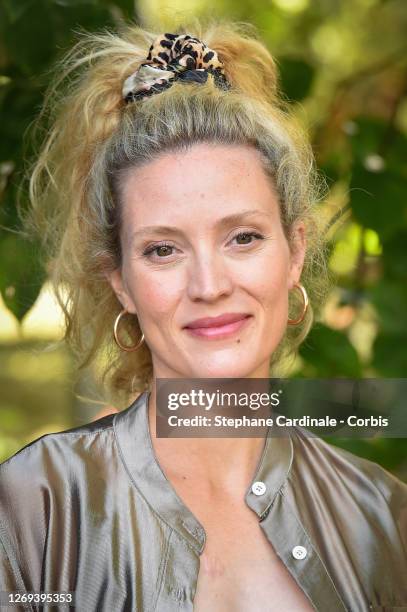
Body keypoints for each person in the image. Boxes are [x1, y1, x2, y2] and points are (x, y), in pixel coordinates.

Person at [0, 20, 406, 612]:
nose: (210, 286)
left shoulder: (380, 516)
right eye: (162, 249)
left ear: (294, 253)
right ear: (122, 283)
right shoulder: (36, 506)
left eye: (242, 237)